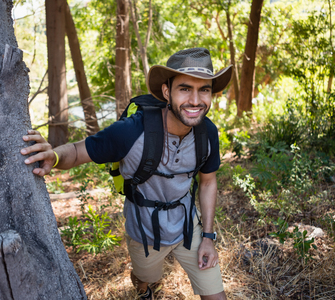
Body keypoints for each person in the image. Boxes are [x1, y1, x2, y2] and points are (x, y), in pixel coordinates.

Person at [21, 48, 232, 300]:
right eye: (185, 89)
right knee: (146, 279)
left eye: (204, 89)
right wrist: (53, 157)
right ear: (167, 92)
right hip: (145, 231)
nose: (196, 100)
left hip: (188, 226)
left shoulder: (207, 133)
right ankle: (143, 287)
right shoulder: (131, 132)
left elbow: (208, 182)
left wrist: (208, 237)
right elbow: (78, 152)